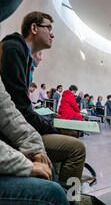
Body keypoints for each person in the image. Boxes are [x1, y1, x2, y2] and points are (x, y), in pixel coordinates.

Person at [0, 12, 86, 185]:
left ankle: (63, 189)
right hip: (11, 135)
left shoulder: (20, 53)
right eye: (49, 28)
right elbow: (19, 110)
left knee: (68, 142)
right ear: (34, 28)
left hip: (18, 128)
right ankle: (71, 199)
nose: (52, 34)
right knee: (77, 149)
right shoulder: (13, 49)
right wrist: (56, 129)